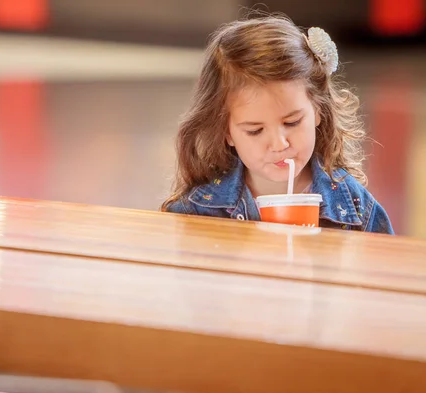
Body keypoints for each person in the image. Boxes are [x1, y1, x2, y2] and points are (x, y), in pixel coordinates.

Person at [161, 14, 393, 234]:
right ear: (226, 132)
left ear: (317, 111)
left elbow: (387, 269)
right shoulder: (200, 209)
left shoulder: (352, 204)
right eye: (255, 130)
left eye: (292, 122)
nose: (279, 144)